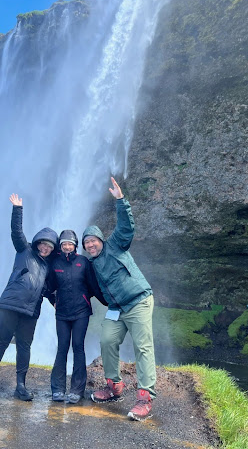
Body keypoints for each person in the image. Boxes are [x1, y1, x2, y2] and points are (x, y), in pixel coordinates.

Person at [82, 177, 156, 421]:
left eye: (93, 240)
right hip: (116, 309)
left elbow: (126, 227)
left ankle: (145, 398)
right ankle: (115, 387)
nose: (90, 245)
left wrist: (120, 200)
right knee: (106, 340)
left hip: (138, 301)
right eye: (86, 243)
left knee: (142, 347)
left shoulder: (115, 245)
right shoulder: (91, 265)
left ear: (100, 240)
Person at [0, 193, 58, 402]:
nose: (45, 248)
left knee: (24, 345)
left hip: (31, 310)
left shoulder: (49, 267)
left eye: (50, 246)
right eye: (43, 243)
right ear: (37, 242)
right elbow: (16, 232)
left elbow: (50, 291)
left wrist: (59, 305)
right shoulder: (24, 250)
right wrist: (18, 209)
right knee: (2, 340)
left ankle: (21, 386)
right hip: (11, 303)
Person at [48, 230, 107, 404]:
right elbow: (49, 287)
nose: (67, 247)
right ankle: (57, 389)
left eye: (70, 243)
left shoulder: (83, 262)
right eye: (64, 244)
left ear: (75, 245)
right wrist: (54, 301)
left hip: (81, 312)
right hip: (62, 314)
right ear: (60, 246)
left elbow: (93, 287)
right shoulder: (55, 263)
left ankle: (76, 390)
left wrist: (107, 303)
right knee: (62, 348)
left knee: (78, 347)